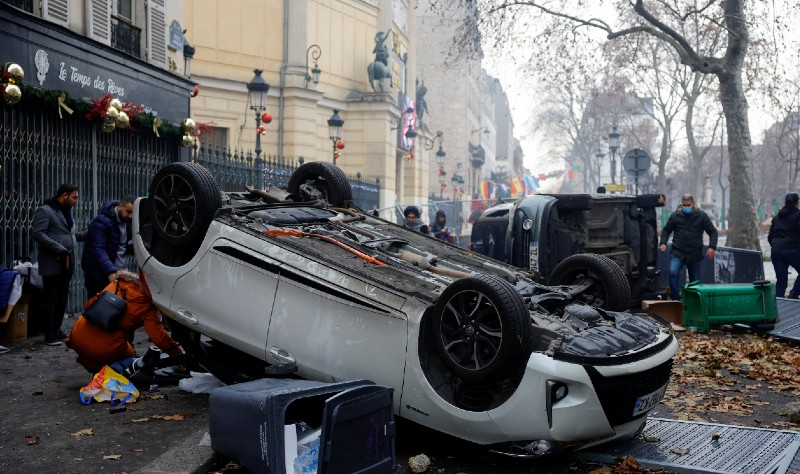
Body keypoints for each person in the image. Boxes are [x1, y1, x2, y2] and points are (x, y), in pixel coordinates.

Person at [66, 269, 184, 376]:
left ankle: (96, 367)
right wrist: (179, 356)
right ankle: (112, 371)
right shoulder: (149, 306)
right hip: (101, 348)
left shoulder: (119, 283)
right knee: (133, 359)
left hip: (76, 333)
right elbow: (159, 338)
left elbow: (88, 306)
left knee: (111, 340)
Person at [32, 183, 86, 346]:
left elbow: (70, 235)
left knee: (62, 298)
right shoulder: (45, 210)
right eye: (74, 197)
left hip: (67, 264)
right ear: (64, 195)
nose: (76, 201)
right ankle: (49, 334)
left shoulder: (67, 211)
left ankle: (56, 330)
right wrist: (59, 248)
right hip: (52, 263)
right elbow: (38, 234)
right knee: (51, 298)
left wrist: (88, 234)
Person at [659, 193, 718, 300]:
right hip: (678, 251)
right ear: (681, 205)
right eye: (684, 205)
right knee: (672, 272)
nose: (686, 208)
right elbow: (666, 230)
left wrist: (712, 247)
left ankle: (693, 301)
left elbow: (712, 231)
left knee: (694, 280)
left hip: (694, 253)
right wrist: (663, 242)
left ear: (693, 204)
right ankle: (676, 299)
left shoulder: (701, 216)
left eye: (688, 205)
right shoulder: (675, 216)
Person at [81, 196, 135, 298]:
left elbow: (127, 246)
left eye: (133, 213)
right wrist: (110, 271)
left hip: (119, 274)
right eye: (128, 212)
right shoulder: (101, 221)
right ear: (119, 206)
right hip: (99, 275)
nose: (131, 216)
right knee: (98, 309)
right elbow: (98, 249)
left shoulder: (129, 222)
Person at [768, 192, 800, 298]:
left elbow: (770, 236)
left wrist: (775, 246)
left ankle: (777, 308)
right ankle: (794, 294)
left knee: (781, 281)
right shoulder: (798, 215)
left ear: (785, 202)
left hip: (776, 251)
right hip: (792, 249)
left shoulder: (777, 217)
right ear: (797, 203)